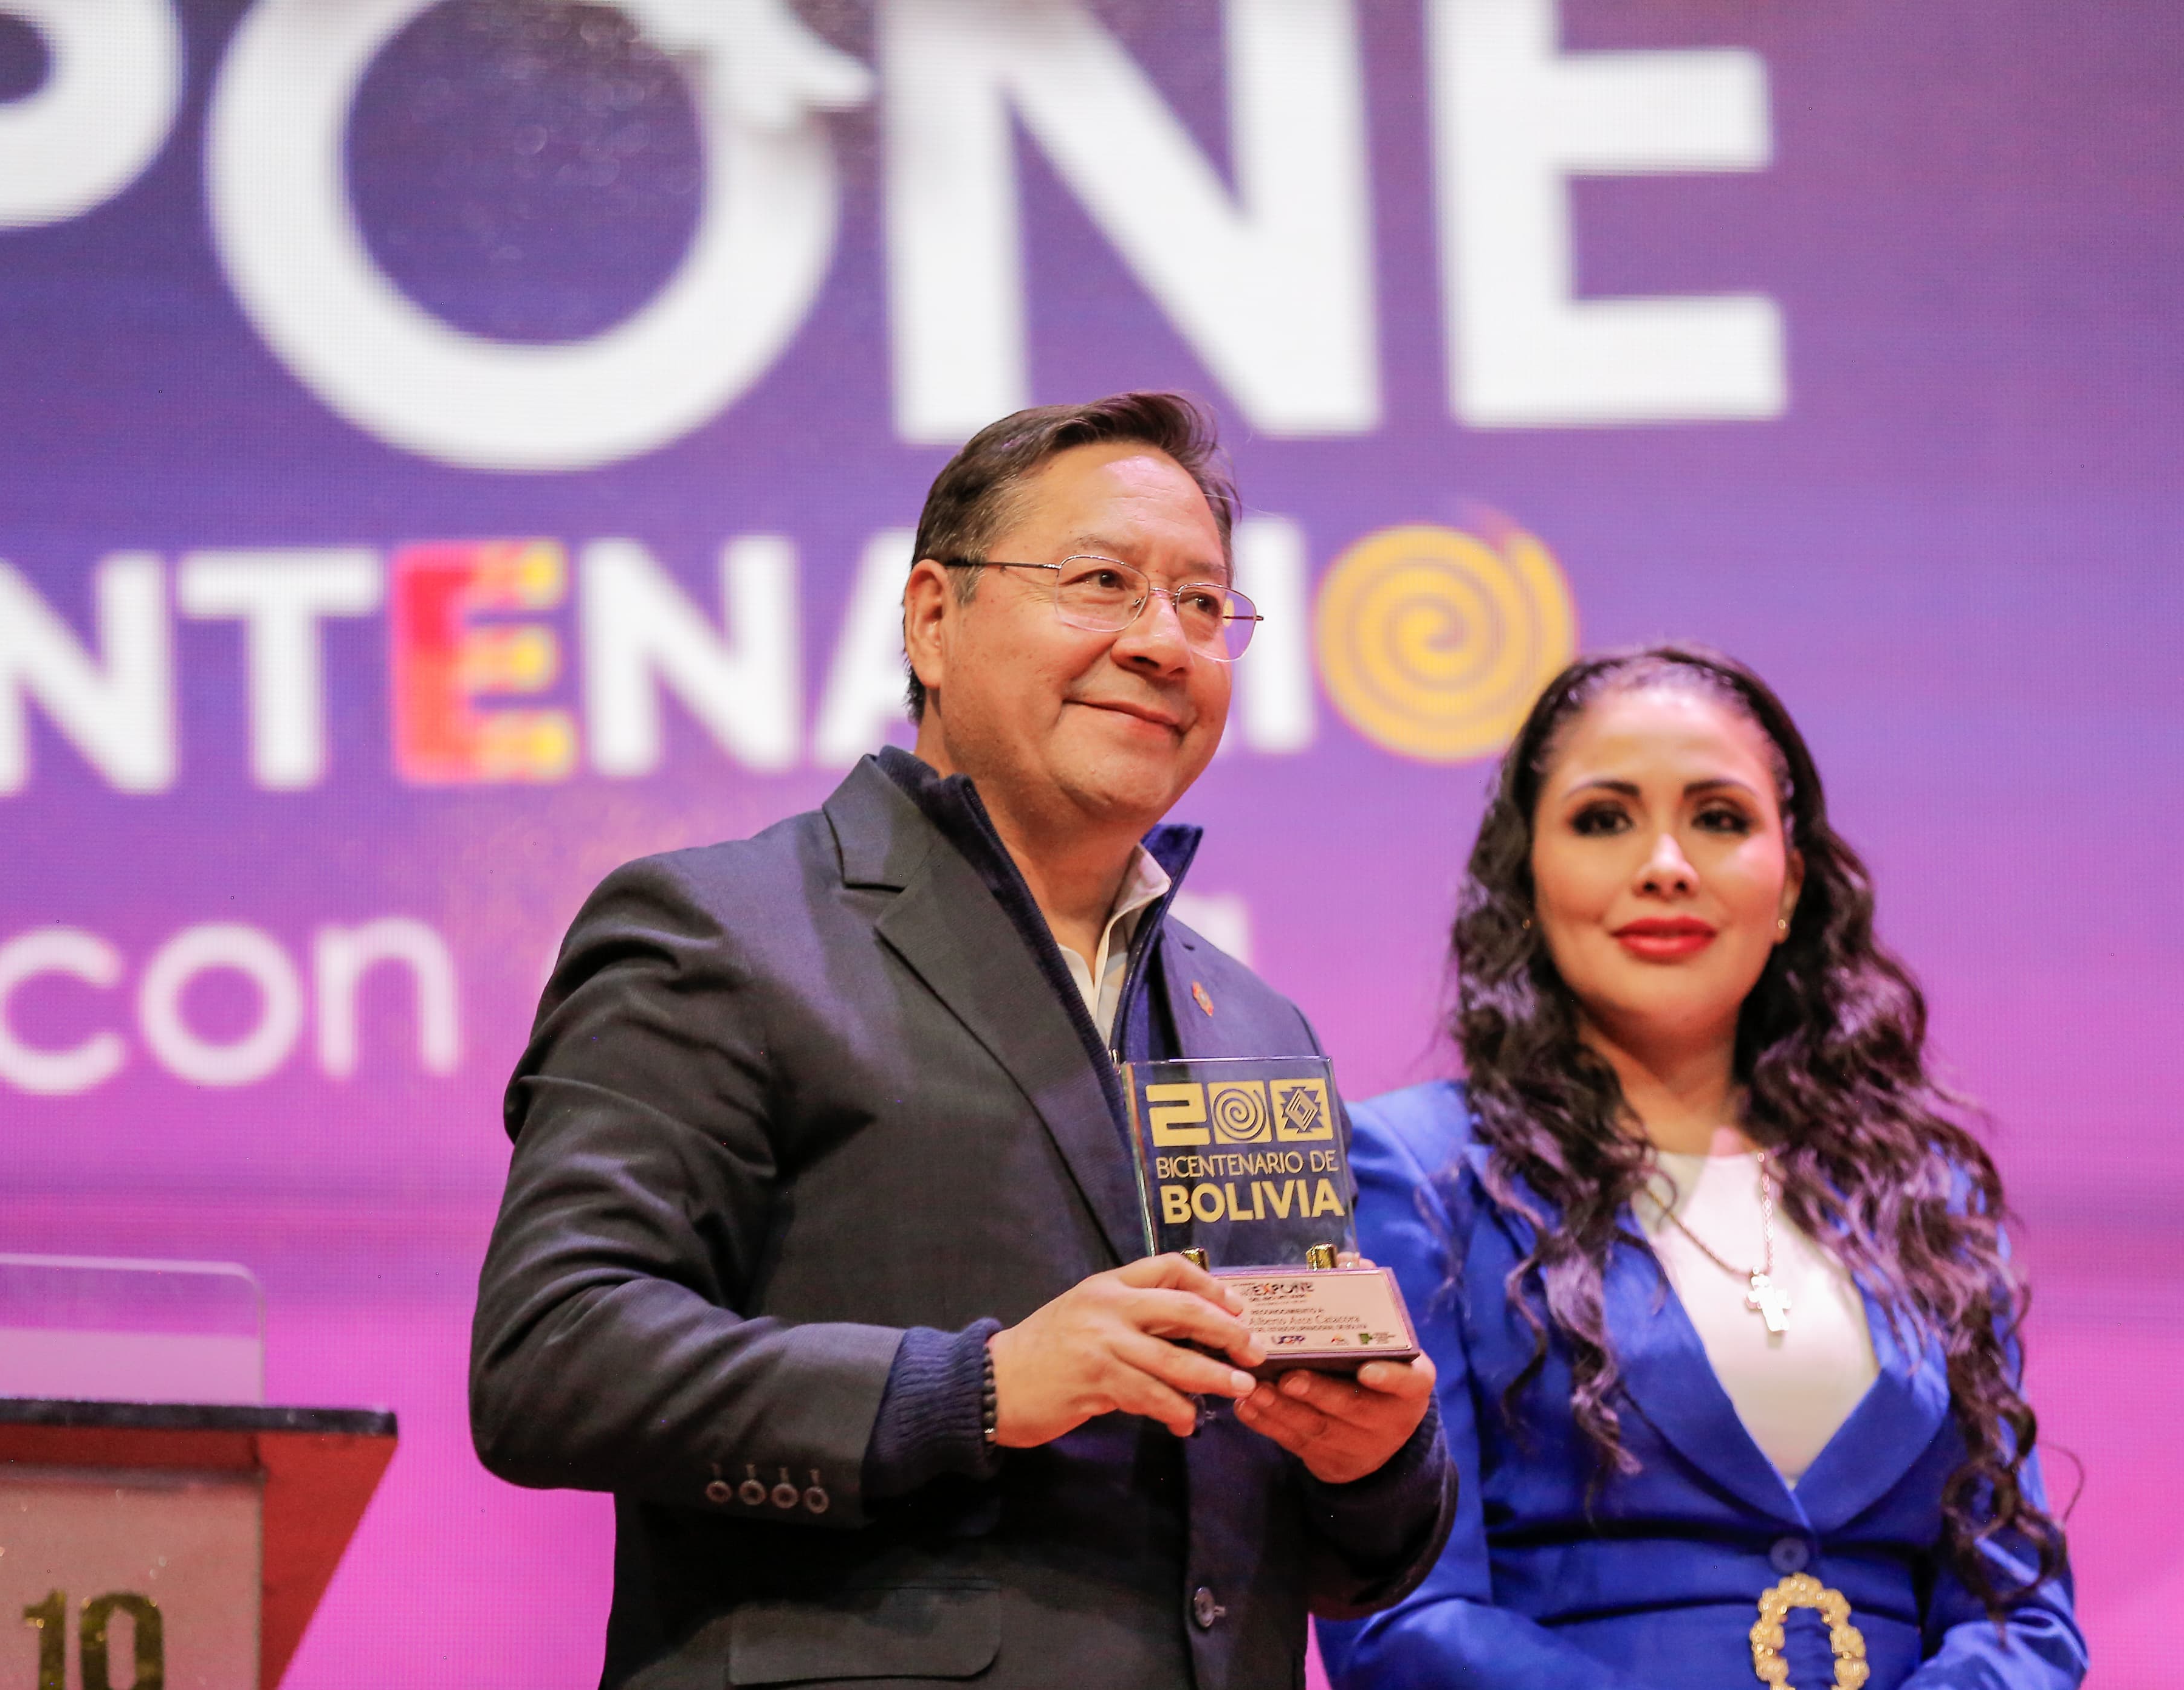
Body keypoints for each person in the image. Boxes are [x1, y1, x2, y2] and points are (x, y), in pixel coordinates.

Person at [471, 392, 1452, 1689]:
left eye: (1203, 604)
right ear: (933, 619)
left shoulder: (1256, 1026)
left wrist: (1374, 1458)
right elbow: (554, 1355)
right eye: (1100, 582)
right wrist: (975, 1388)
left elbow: (1310, 1551)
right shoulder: (723, 929)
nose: (1162, 642)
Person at [1317, 645, 2086, 1690]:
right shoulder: (1418, 1172)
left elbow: (2022, 1616)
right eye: (1604, 820)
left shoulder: (1919, 1197)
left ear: (1790, 884)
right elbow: (1404, 1615)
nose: (1667, 864)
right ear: (1526, 876)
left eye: (1720, 818)